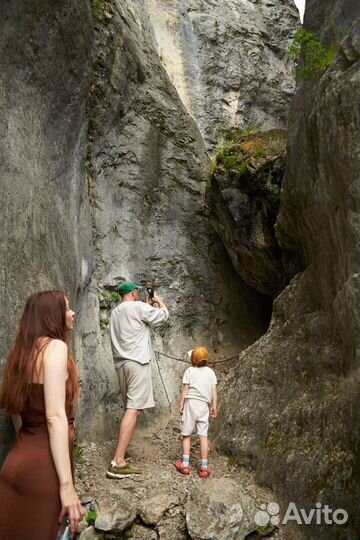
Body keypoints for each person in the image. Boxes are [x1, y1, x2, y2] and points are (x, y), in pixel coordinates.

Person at [0, 291, 85, 540]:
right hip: (43, 469)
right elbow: (55, 416)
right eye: (67, 308)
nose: (72, 313)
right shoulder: (55, 348)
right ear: (52, 315)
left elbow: (14, 411)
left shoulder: (21, 354)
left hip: (17, 462)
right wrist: (67, 487)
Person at [107, 280, 169, 479]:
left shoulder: (115, 312)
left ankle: (121, 456)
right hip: (137, 363)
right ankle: (117, 461)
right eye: (137, 292)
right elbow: (163, 316)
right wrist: (158, 301)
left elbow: (136, 323)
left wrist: (146, 306)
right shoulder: (138, 307)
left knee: (135, 410)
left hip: (122, 364)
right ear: (133, 293)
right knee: (134, 409)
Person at [176, 347, 217, 478]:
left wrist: (181, 404)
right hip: (204, 406)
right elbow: (214, 391)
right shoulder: (211, 372)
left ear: (192, 360)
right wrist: (214, 406)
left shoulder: (189, 371)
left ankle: (185, 464)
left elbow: (185, 390)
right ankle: (204, 467)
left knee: (186, 434)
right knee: (203, 436)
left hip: (191, 404)